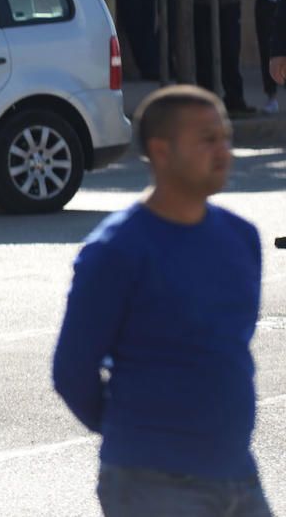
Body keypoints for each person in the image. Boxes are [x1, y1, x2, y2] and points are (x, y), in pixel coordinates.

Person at [54, 85, 271, 517]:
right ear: (162, 150)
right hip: (151, 482)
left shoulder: (242, 237)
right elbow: (71, 370)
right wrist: (136, 430)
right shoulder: (116, 250)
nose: (223, 150)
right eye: (207, 139)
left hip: (236, 473)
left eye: (225, 136)